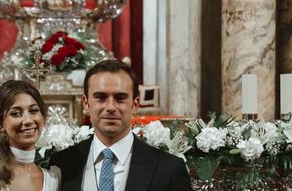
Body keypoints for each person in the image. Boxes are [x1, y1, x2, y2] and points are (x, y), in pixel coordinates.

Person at [50, 60, 192, 191]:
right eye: (100, 97)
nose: (111, 107)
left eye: (120, 98)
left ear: (135, 105)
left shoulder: (169, 169)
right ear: (86, 104)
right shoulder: (62, 164)